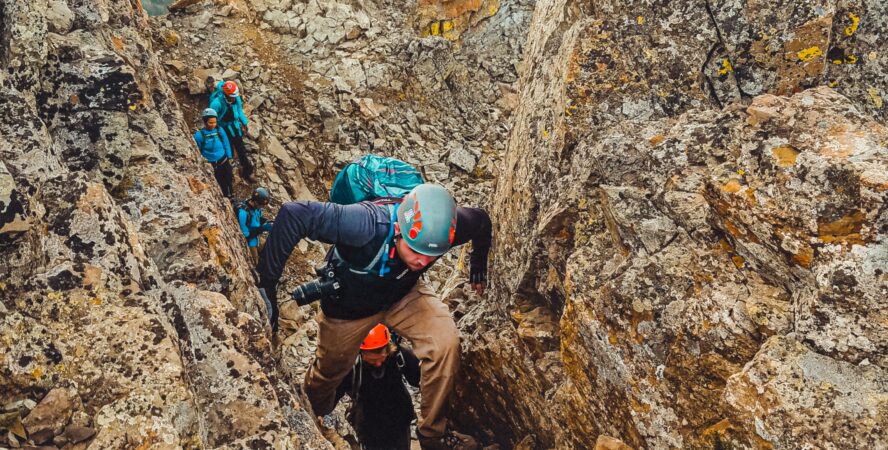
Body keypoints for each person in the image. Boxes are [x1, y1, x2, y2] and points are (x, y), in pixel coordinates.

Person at [257, 183, 490, 450]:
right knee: (329, 373)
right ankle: (313, 416)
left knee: (445, 344)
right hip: (348, 309)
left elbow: (482, 221)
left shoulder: (444, 230)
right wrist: (267, 285)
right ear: (399, 231)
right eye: (415, 251)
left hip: (402, 294)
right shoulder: (365, 225)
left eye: (431, 255)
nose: (423, 262)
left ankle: (432, 435)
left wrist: (478, 263)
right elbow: (295, 214)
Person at [335, 324, 420, 450]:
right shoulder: (352, 367)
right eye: (372, 361)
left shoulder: (399, 356)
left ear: (388, 348)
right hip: (370, 426)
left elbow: (421, 379)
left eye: (381, 358)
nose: (378, 364)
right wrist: (321, 411)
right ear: (361, 352)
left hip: (399, 420)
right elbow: (336, 390)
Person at [208, 80, 255, 183]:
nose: (234, 98)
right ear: (226, 94)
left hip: (234, 126)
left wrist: (244, 122)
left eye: (235, 96)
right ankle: (227, 171)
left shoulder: (235, 98)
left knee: (241, 149)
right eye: (232, 96)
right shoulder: (216, 103)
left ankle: (247, 171)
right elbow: (211, 119)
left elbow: (239, 110)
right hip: (223, 128)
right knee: (227, 149)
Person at [193, 108, 233, 198]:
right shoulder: (199, 136)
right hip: (211, 164)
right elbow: (197, 150)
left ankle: (230, 196)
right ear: (205, 121)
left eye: (214, 122)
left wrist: (229, 156)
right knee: (218, 182)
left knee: (228, 179)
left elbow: (226, 143)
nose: (213, 125)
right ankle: (223, 197)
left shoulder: (219, 130)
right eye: (210, 122)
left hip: (223, 160)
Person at [237, 187, 274, 264]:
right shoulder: (243, 213)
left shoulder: (257, 208)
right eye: (262, 205)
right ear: (256, 202)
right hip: (250, 242)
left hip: (256, 237)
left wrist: (267, 221)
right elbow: (246, 236)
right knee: (256, 263)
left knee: (269, 250)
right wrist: (262, 228)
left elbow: (257, 219)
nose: (263, 207)